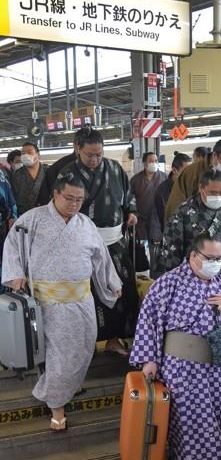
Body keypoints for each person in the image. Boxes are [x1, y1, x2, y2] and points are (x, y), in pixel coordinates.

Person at [130, 232, 221, 460]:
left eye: (219, 258)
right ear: (194, 257)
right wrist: (149, 360)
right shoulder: (168, 283)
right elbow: (149, 320)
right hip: (182, 365)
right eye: (209, 258)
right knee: (185, 420)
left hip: (219, 363)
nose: (215, 263)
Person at [1, 176, 121, 431]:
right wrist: (15, 275)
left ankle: (63, 386)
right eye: (69, 198)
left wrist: (111, 282)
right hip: (49, 303)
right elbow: (12, 246)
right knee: (59, 355)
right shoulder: (31, 220)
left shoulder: (86, 224)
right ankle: (57, 406)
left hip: (82, 300)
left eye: (79, 200)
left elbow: (101, 257)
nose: (74, 204)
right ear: (56, 194)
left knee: (86, 346)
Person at [58, 127, 139, 357]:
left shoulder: (114, 168)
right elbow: (58, 208)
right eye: (89, 155)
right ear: (77, 149)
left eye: (99, 154)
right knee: (86, 295)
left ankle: (114, 339)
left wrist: (131, 211)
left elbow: (129, 195)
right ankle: (87, 344)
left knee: (120, 291)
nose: (95, 159)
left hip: (115, 242)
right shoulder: (67, 173)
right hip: (81, 245)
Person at [155, 169, 221, 275]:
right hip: (192, 280)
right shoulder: (183, 213)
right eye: (213, 193)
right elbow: (170, 255)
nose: (218, 197)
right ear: (201, 188)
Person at [129, 152, 167, 262]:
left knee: (157, 250)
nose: (154, 163)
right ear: (144, 163)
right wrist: (133, 212)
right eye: (151, 161)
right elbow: (130, 198)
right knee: (142, 250)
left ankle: (156, 272)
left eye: (156, 161)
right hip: (141, 220)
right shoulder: (136, 180)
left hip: (159, 220)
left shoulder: (164, 177)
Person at [154, 151, 192, 234]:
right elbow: (160, 217)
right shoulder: (162, 190)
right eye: (186, 171)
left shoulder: (192, 186)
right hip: (172, 233)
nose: (190, 175)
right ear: (174, 170)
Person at [10, 142, 50, 215]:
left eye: (29, 152)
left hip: (46, 214)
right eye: (23, 153)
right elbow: (12, 198)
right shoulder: (16, 175)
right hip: (23, 216)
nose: (25, 155)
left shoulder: (48, 172)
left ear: (38, 155)